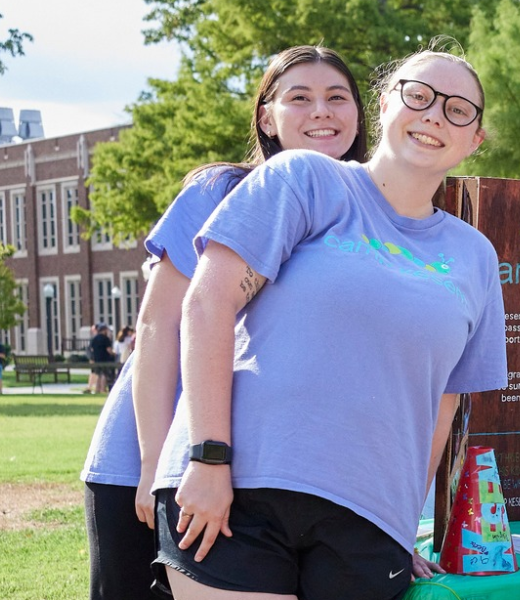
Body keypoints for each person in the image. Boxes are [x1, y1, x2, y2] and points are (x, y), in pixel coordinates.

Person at [152, 46, 505, 600]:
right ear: (385, 105)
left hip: (367, 519)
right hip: (238, 491)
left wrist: (402, 522)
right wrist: (208, 458)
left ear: (475, 138)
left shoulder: (476, 257)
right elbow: (207, 304)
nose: (435, 114)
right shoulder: (306, 179)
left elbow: (444, 403)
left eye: (459, 109)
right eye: (419, 95)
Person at [76, 46, 373, 600]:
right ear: (267, 116)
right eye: (299, 98)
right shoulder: (221, 190)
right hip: (158, 452)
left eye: (338, 98)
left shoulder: (368, 216)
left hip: (264, 471)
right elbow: (161, 326)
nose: (322, 112)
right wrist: (152, 462)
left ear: (359, 114)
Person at [88, 324, 117, 393]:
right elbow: (108, 349)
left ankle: (97, 389)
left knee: (98, 374)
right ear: (104, 330)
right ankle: (102, 389)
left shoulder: (94, 338)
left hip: (96, 359)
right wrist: (114, 354)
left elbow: (91, 349)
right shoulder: (105, 338)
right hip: (104, 359)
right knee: (104, 374)